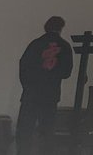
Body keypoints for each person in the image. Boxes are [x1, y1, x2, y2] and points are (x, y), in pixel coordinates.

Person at [16, 16, 73, 155]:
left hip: (31, 94)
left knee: (25, 131)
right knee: (47, 131)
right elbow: (66, 72)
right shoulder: (64, 46)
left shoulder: (35, 44)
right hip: (50, 95)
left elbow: (23, 66)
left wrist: (27, 86)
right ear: (60, 28)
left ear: (46, 27)